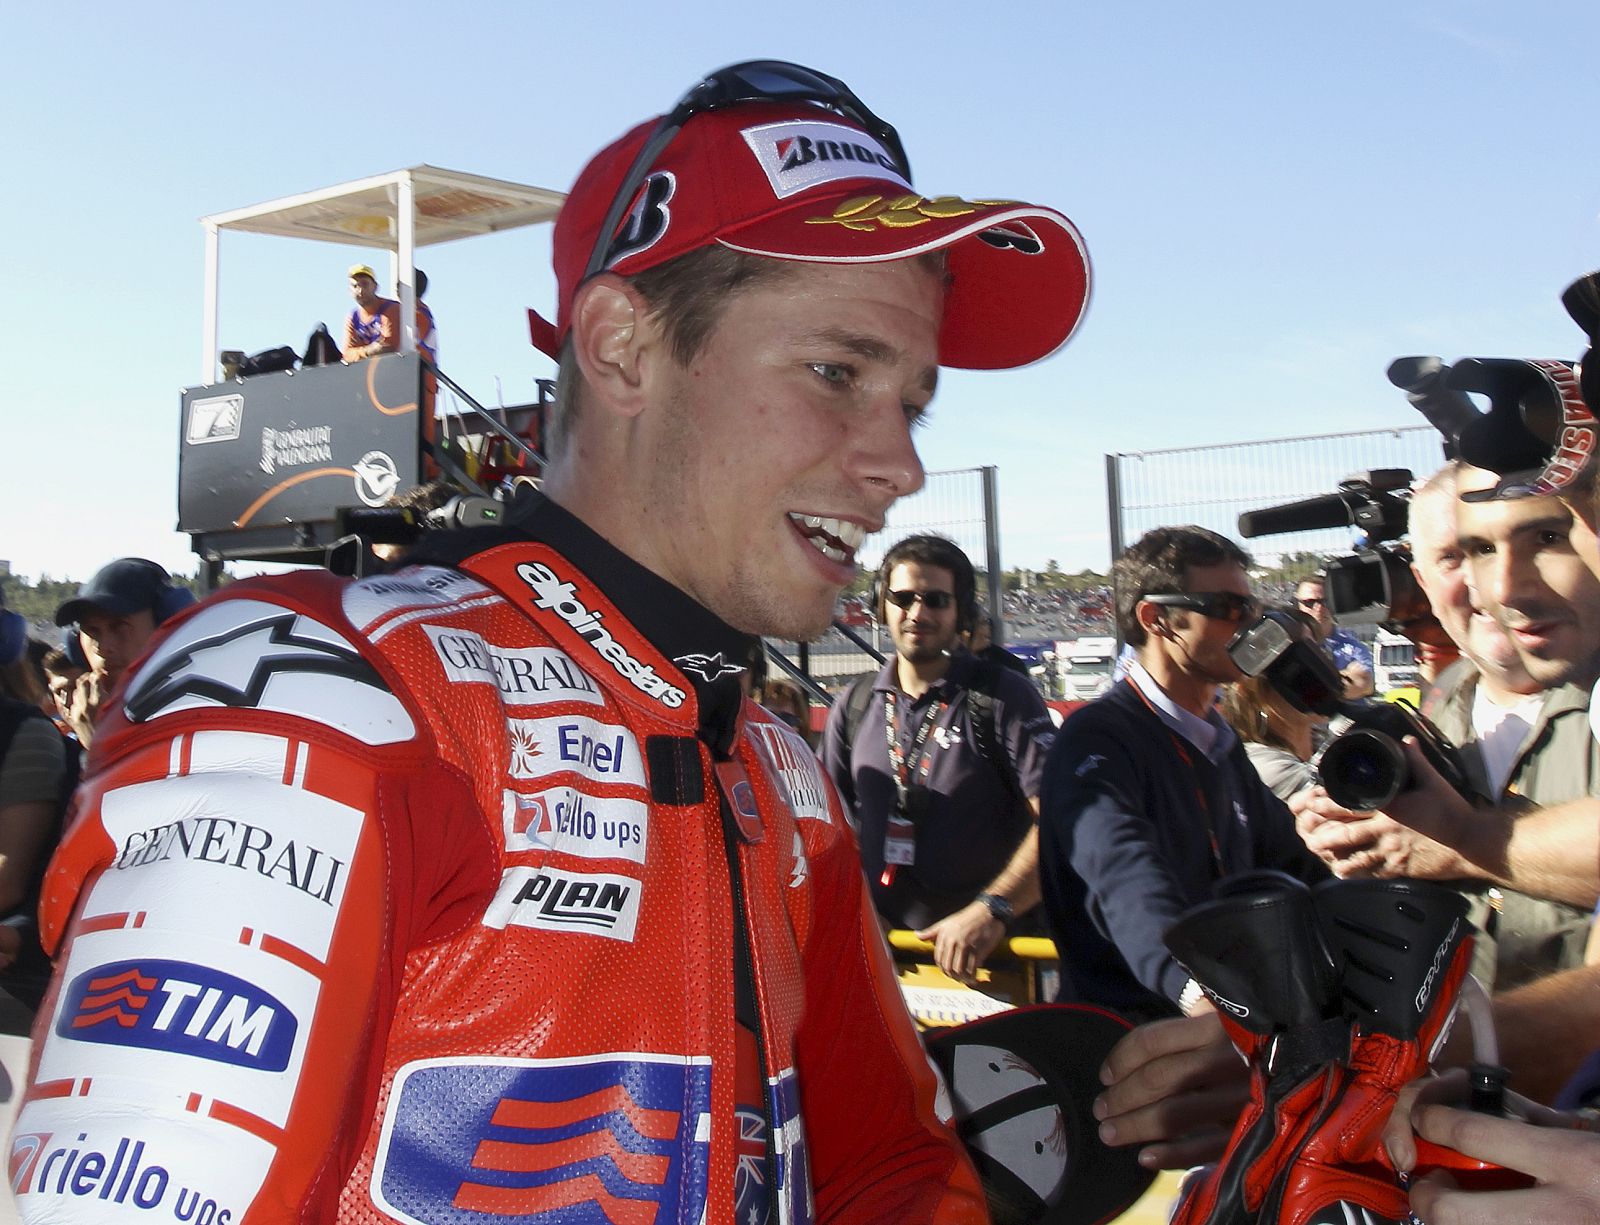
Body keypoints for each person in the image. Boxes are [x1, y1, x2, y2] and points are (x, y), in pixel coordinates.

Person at [14, 60, 1091, 1223]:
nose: (902, 465)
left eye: (912, 404)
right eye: (836, 372)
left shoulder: (783, 777)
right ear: (623, 346)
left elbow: (887, 1168)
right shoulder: (327, 695)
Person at [1300, 462, 1600, 993]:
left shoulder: (1588, 690)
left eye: (1545, 539)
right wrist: (1355, 842)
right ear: (1420, 583)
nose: (1494, 587)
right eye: (1461, 555)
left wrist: (1457, 841)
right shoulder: (1426, 714)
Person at [1039, 526, 1328, 1022]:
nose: (1247, 628)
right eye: (1228, 610)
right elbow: (1124, 874)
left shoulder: (1219, 741)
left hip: (1232, 1034)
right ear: (1155, 619)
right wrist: (1197, 991)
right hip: (1133, 1046)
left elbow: (1295, 866)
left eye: (1252, 610)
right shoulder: (1098, 738)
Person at [821, 535, 1055, 981]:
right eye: (902, 598)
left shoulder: (1002, 695)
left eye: (935, 600)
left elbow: (1060, 822)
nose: (917, 613)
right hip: (885, 960)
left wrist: (992, 909)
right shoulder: (855, 704)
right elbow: (826, 832)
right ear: (880, 605)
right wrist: (859, 911)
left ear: (960, 611)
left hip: (993, 960)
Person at [52, 556, 194, 749]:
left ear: (167, 630)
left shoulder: (195, 719)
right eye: (91, 630)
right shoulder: (61, 744)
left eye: (119, 626)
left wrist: (99, 745)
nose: (104, 647)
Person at [1295, 574, 1376, 697]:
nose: (1319, 608)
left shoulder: (1352, 647)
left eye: (1324, 602)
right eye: (1309, 602)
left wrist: (1308, 684)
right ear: (1298, 604)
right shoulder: (1289, 644)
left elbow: (1365, 684)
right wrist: (1345, 677)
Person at [341, 263, 400, 362]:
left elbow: (389, 346)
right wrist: (369, 350)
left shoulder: (390, 308)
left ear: (375, 286)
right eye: (355, 286)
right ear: (349, 291)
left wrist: (358, 351)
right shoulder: (353, 317)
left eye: (365, 284)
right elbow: (347, 355)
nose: (360, 290)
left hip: (391, 369)